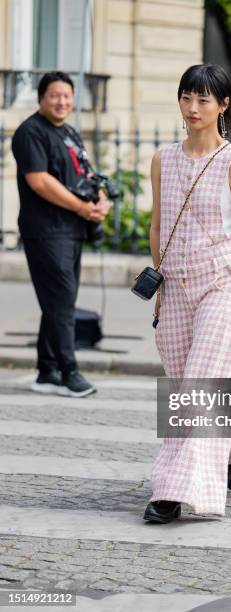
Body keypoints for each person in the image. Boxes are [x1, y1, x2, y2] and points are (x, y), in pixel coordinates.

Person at [144, 64, 231, 523]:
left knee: (196, 388)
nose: (193, 108)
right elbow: (157, 225)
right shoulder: (162, 159)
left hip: (222, 283)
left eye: (203, 99)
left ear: (223, 105)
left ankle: (172, 491)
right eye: (186, 98)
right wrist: (158, 282)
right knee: (188, 382)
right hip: (175, 285)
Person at [12, 71, 110, 398]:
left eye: (67, 96)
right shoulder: (30, 132)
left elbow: (86, 174)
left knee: (60, 301)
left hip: (71, 230)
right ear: (41, 98)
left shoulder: (69, 133)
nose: (62, 101)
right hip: (45, 231)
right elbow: (39, 181)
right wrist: (82, 209)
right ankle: (69, 371)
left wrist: (99, 201)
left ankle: (47, 370)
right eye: (54, 95)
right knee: (62, 301)